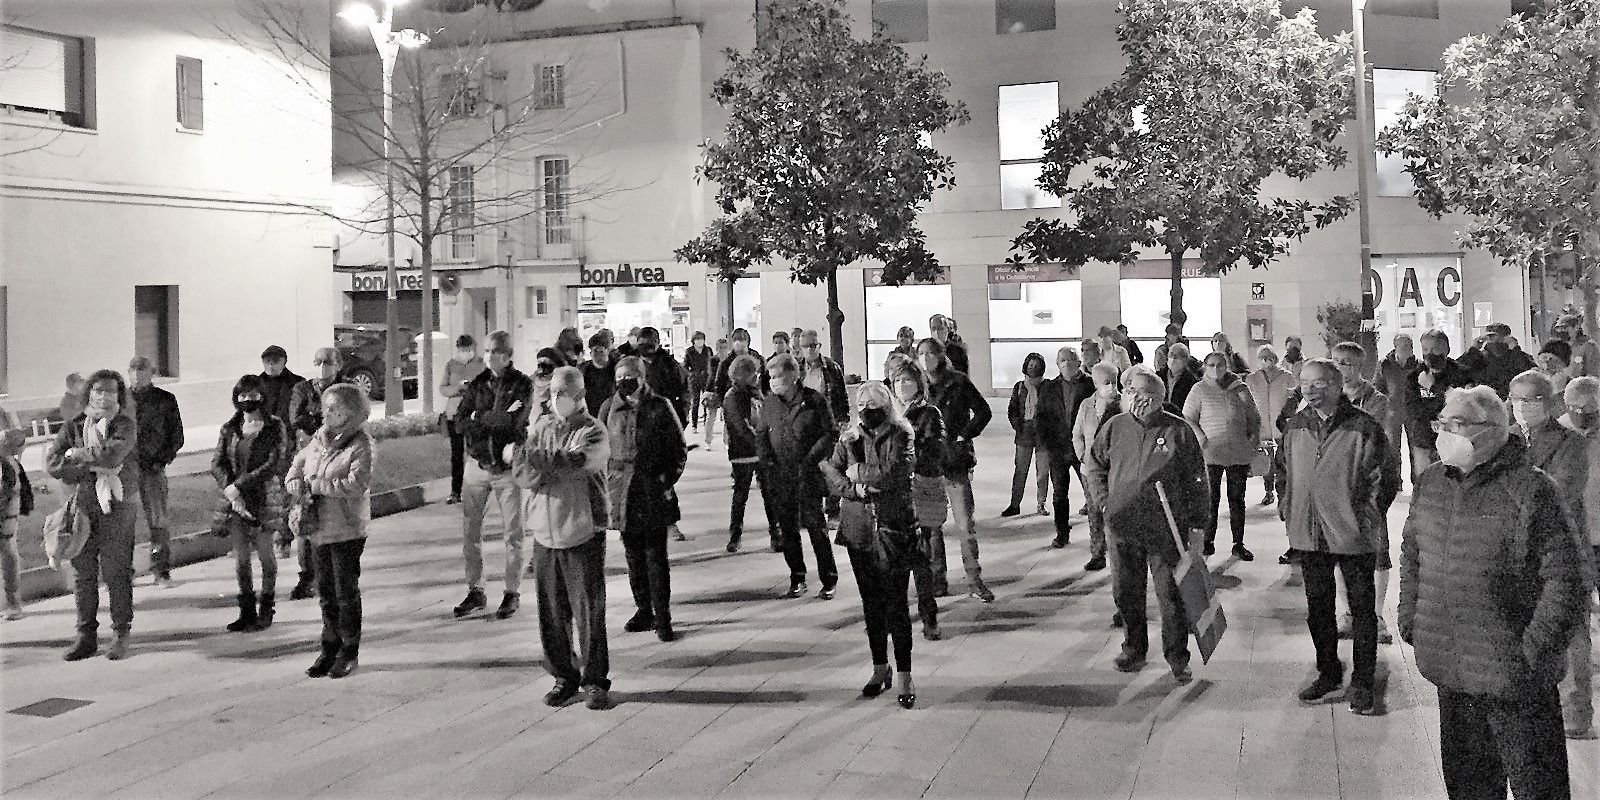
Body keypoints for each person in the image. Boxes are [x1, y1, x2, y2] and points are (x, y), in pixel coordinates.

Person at [1399, 385, 1586, 800]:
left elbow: (1567, 579)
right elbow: (1413, 552)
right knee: (1469, 787)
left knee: (1537, 786)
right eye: (1441, 424)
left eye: (1457, 425)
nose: (1445, 433)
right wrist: (1412, 617)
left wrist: (1533, 650)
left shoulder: (1531, 490)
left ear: (1491, 430)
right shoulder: (1431, 483)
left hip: (1515, 677)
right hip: (1452, 668)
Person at [1276, 358, 1400, 715]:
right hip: (1308, 533)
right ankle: (1328, 671)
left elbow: (1385, 477)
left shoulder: (1363, 426)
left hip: (1352, 533)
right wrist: (1288, 505)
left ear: (1335, 385)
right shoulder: (1296, 425)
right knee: (1318, 609)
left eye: (1318, 383)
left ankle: (1363, 682)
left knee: (1362, 611)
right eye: (1305, 383)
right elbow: (1282, 471)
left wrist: (1366, 519)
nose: (1309, 389)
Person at [1085, 367, 1206, 682]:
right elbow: (1095, 464)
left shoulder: (1179, 431)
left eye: (1146, 394)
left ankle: (1177, 656)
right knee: (1126, 591)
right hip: (1122, 525)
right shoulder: (1114, 427)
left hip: (1166, 529)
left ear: (1160, 399)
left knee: (1171, 596)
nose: (1137, 399)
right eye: (1132, 392)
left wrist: (1197, 525)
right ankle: (1133, 647)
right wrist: (1103, 502)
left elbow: (1197, 481)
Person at [514, 366, 612, 710]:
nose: (558, 399)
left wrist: (538, 462)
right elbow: (523, 472)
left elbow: (576, 462)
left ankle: (595, 680)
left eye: (564, 393)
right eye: (553, 392)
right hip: (545, 532)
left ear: (580, 395)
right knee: (551, 613)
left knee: (588, 610)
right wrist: (537, 464)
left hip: (583, 531)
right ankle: (563, 676)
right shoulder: (542, 428)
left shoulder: (593, 431)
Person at [821, 381, 919, 709]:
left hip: (892, 528)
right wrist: (856, 490)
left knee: (896, 605)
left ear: (886, 404)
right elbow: (831, 471)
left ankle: (905, 675)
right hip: (858, 529)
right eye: (861, 402)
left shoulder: (901, 434)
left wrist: (858, 470)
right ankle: (881, 668)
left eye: (874, 402)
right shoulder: (849, 437)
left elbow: (893, 473)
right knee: (871, 605)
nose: (867, 408)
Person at [1513, 371, 1594, 740]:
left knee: (1571, 631)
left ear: (1549, 402)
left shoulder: (1570, 443)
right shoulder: (1506, 440)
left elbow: (1559, 493)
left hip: (1560, 549)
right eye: (1516, 400)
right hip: (1515, 553)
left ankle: (1576, 711)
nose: (1523, 407)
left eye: (1531, 400)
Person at [48, 370, 139, 661]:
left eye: (110, 391)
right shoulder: (74, 424)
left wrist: (77, 456)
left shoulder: (124, 424)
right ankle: (86, 635)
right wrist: (82, 462)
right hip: (83, 505)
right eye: (98, 390)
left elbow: (113, 455)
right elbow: (53, 462)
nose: (103, 396)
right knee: (83, 574)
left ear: (118, 396)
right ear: (89, 393)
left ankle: (120, 633)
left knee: (116, 571)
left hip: (117, 505)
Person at [286, 383, 374, 679]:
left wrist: (317, 485)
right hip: (318, 527)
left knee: (345, 591)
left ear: (352, 413)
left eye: (336, 409)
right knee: (325, 590)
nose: (329, 414)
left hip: (347, 528)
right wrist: (295, 483)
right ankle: (329, 647)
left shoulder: (361, 444)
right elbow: (297, 466)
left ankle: (349, 650)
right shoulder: (318, 440)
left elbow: (356, 484)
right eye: (327, 408)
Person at [599, 356, 687, 641]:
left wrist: (665, 479)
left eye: (629, 375)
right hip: (621, 490)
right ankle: (643, 609)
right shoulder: (608, 408)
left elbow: (678, 448)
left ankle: (663, 616)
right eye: (619, 375)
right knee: (633, 555)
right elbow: (599, 449)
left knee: (655, 556)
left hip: (651, 488)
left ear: (641, 376)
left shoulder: (659, 406)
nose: (624, 381)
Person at [452, 331, 532, 620]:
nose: (487, 356)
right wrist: (486, 419)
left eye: (493, 351)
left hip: (507, 469)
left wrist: (480, 417)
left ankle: (512, 592)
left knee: (514, 533)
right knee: (470, 531)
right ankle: (476, 589)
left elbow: (514, 421)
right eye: (485, 351)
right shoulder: (478, 384)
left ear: (507, 355)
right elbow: (460, 422)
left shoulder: (522, 385)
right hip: (477, 464)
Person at [211, 375, 291, 633]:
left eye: (252, 394)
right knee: (241, 560)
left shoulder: (274, 426)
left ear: (262, 396)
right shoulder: (230, 427)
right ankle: (246, 610)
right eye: (242, 395)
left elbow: (273, 463)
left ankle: (266, 608)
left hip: (264, 498)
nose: (247, 400)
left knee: (267, 557)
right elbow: (217, 462)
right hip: (236, 503)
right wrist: (229, 489)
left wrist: (240, 485)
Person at [758, 353, 840, 599]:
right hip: (780, 475)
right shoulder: (770, 403)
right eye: (770, 377)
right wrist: (766, 460)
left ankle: (828, 578)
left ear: (793, 376)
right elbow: (762, 433)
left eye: (778, 376)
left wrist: (810, 460)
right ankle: (797, 576)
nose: (773, 382)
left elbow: (828, 433)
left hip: (807, 474)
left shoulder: (813, 400)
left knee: (816, 527)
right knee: (788, 529)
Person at [918, 337, 994, 602]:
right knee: (932, 527)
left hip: (954, 461)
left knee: (964, 525)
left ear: (941, 355)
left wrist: (964, 435)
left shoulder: (958, 381)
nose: (926, 358)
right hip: (927, 465)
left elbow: (983, 411)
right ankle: (937, 580)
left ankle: (974, 579)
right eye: (922, 353)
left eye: (930, 353)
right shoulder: (919, 386)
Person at [1184, 351, 1261, 560]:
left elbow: (1254, 417)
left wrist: (1253, 440)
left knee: (1237, 498)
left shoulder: (1240, 388)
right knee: (1211, 498)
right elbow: (1189, 418)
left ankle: (1238, 543)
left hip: (1238, 451)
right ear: (1205, 367)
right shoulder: (1198, 390)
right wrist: (1201, 438)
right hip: (1211, 452)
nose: (1216, 369)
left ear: (1227, 366)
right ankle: (1208, 540)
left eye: (1220, 365)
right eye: (1211, 365)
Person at [889, 358, 945, 639]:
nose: (902, 386)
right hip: (894, 497)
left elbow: (934, 451)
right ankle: (896, 615)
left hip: (920, 491)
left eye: (908, 380)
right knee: (894, 562)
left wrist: (906, 460)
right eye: (898, 381)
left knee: (922, 559)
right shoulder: (888, 414)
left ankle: (929, 615)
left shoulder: (929, 414)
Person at [127, 355, 183, 587]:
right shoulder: (121, 400)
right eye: (133, 369)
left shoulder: (165, 400)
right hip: (125, 471)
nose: (138, 374)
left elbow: (176, 436)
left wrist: (162, 460)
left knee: (158, 522)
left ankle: (161, 570)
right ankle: (123, 571)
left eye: (142, 370)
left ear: (152, 372)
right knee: (123, 524)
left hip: (153, 470)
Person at [1037, 347, 1094, 551]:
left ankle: (1097, 538)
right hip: (1058, 448)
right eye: (1062, 360)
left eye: (1071, 359)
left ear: (1079, 362)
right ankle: (1062, 533)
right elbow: (1041, 416)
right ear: (1057, 363)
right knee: (1060, 493)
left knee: (1092, 493)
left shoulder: (1090, 384)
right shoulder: (1049, 388)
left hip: (1084, 449)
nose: (1066, 363)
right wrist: (1045, 443)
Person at [722, 354, 777, 554]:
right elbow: (741, 427)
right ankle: (735, 536)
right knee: (740, 495)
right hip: (743, 453)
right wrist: (761, 445)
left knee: (770, 494)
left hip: (760, 452)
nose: (757, 376)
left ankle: (776, 534)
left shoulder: (757, 394)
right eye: (753, 372)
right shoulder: (734, 397)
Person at [1402, 330, 1471, 482]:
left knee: (1453, 480)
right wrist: (1429, 420)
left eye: (1434, 349)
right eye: (1425, 350)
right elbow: (1411, 406)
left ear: (1446, 349)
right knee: (1424, 480)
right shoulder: (1414, 376)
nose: (1429, 354)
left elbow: (1461, 402)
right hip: (1424, 439)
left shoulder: (1461, 373)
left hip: (1454, 436)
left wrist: (1433, 388)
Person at [1072, 361, 1121, 575]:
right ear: (1096, 383)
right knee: (1094, 513)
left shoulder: (1123, 404)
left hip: (1116, 470)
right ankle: (1097, 554)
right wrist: (1083, 456)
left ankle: (1119, 555)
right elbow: (1077, 435)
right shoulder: (1086, 406)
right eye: (1106, 382)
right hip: (1090, 470)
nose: (1111, 386)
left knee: (1116, 513)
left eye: (1114, 381)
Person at [1003, 353, 1051, 519]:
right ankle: (1015, 504)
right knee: (1020, 470)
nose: (1033, 369)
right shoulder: (1019, 387)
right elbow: (1012, 410)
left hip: (1043, 433)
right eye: (1030, 365)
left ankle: (1041, 503)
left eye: (1036, 366)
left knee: (1043, 471)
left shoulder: (1048, 386)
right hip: (1024, 432)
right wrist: (1018, 426)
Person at [1246, 345, 1295, 506]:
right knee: (1267, 462)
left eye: (1270, 357)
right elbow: (1247, 402)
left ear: (1275, 358)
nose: (1267, 360)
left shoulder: (1286, 376)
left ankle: (1284, 492)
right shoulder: (1252, 379)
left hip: (1281, 426)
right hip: (1262, 426)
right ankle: (1268, 491)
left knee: (1283, 461)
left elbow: (1293, 400)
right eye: (1263, 357)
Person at [441, 335, 485, 505]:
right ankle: (455, 491)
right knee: (456, 454)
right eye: (461, 350)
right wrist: (457, 388)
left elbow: (487, 386)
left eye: (467, 350)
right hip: (454, 414)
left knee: (475, 452)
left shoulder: (481, 364)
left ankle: (477, 489)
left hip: (474, 414)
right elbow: (443, 388)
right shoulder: (451, 365)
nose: (464, 353)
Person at [1377, 334, 1420, 488]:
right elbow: (1379, 388)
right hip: (1392, 412)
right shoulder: (1385, 365)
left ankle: (1417, 481)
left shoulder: (1418, 365)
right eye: (1402, 346)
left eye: (1408, 346)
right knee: (1392, 448)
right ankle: (1395, 482)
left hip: (1413, 411)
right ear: (1395, 347)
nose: (1406, 349)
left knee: (1416, 446)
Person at [1457, 322, 1535, 398]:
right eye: (1490, 336)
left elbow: (1532, 376)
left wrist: (1515, 350)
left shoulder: (1517, 356)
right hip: (1484, 402)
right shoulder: (1478, 357)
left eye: (1494, 336)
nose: (1493, 340)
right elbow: (1457, 372)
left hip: (1513, 400)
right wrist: (1473, 350)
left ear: (1507, 338)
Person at [1, 421, 29, 620]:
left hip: (7, 493)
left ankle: (13, 602)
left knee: (6, 545)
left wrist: (7, 439)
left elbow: (19, 437)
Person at [797, 329, 849, 428]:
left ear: (819, 346)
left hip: (828, 421)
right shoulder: (796, 368)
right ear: (800, 348)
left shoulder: (832, 368)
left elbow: (842, 397)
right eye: (805, 346)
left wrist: (843, 421)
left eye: (813, 345)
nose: (809, 349)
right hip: (803, 422)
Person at [712, 328, 764, 399]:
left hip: (755, 397)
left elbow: (764, 378)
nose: (738, 342)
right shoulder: (726, 362)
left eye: (741, 339)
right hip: (734, 398)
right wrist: (723, 402)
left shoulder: (757, 358)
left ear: (747, 341)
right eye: (735, 339)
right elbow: (719, 384)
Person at [258, 345, 302, 427]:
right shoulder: (255, 384)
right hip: (263, 431)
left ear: (284, 361)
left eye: (275, 360)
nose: (271, 364)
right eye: (267, 360)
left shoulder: (299, 383)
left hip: (290, 430)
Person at [684, 331, 715, 433]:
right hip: (694, 379)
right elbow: (685, 365)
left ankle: (707, 422)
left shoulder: (708, 350)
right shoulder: (689, 351)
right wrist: (691, 373)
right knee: (696, 401)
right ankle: (694, 424)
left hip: (707, 378)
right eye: (697, 339)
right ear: (693, 340)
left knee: (707, 401)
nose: (700, 341)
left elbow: (712, 363)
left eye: (701, 339)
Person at [702, 337, 730, 449]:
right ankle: (708, 441)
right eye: (721, 347)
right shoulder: (713, 360)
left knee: (727, 417)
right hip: (712, 390)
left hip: (725, 390)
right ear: (717, 348)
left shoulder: (729, 359)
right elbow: (713, 375)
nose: (723, 350)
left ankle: (726, 441)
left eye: (725, 347)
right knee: (711, 417)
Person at [1159, 342, 1201, 413]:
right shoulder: (1158, 376)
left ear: (1186, 360)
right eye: (1171, 355)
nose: (1173, 358)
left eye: (1177, 356)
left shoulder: (1191, 381)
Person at [581, 333, 615, 416]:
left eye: (601, 351)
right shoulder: (584, 369)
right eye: (594, 351)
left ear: (607, 350)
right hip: (590, 411)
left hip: (611, 412)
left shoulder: (616, 368)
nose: (597, 355)